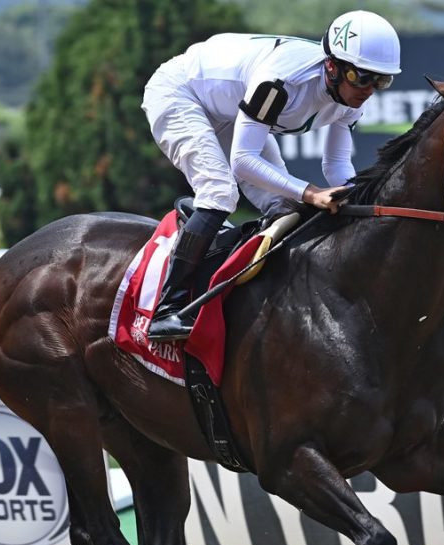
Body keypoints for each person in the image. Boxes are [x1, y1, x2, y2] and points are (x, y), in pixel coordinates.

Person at [141, 10, 402, 341]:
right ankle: (167, 309)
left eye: (381, 80)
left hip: (229, 109)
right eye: (361, 77)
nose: (369, 89)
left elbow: (335, 166)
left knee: (283, 206)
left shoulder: (351, 97)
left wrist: (359, 196)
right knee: (220, 192)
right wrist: (310, 193)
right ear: (332, 67)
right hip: (180, 93)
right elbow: (243, 162)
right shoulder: (282, 81)